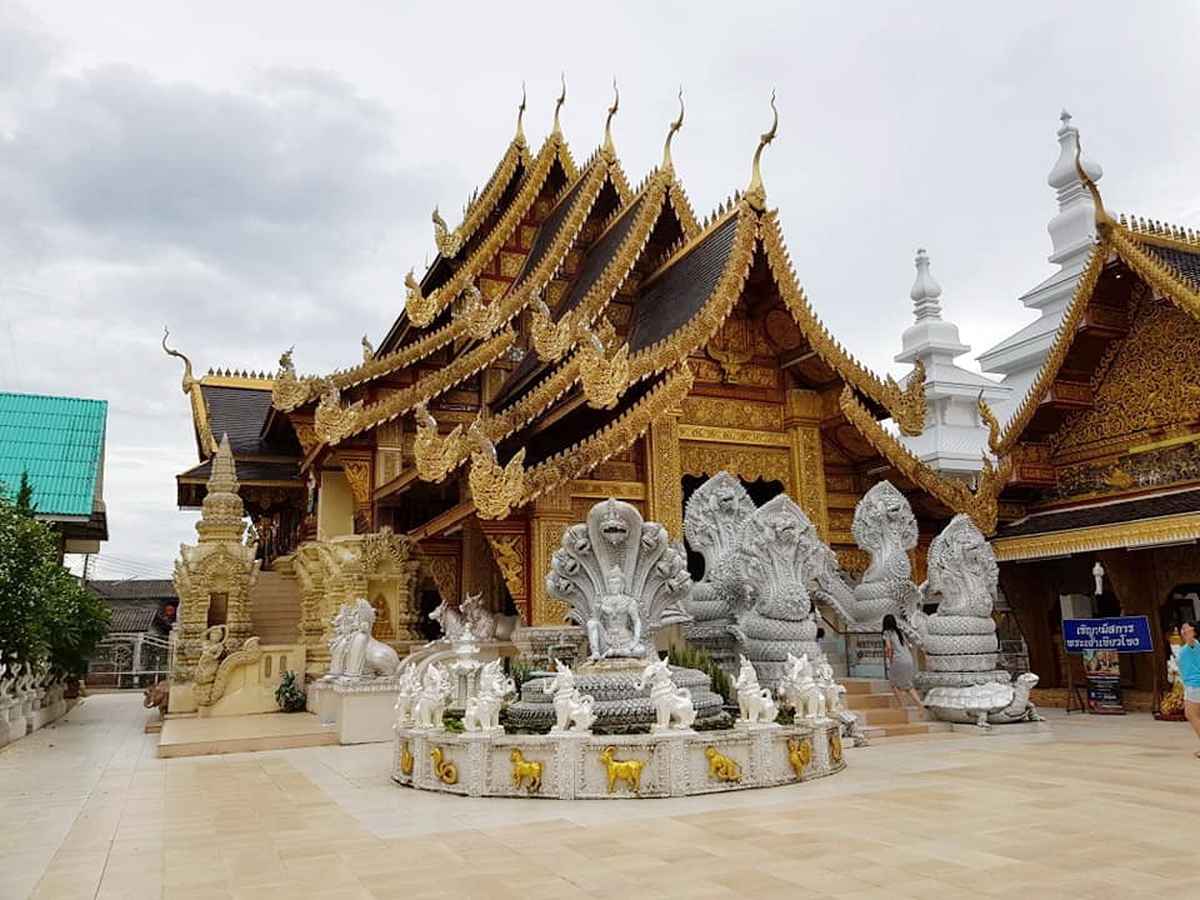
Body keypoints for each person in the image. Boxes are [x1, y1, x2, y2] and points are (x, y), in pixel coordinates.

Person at [882, 614, 926, 717]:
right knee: (907, 684)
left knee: (893, 683)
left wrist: (889, 658)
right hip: (908, 659)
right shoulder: (900, 632)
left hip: (898, 660)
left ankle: (902, 705)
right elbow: (909, 645)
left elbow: (889, 648)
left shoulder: (887, 633)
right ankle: (919, 704)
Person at [1179, 620, 1200, 757]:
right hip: (1191, 685)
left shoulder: (1194, 645)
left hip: (1195, 685)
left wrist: (1190, 635)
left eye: (1186, 628)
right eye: (1182, 628)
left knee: (1193, 715)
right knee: (1192, 715)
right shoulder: (1188, 646)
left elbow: (1191, 641)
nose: (1183, 630)